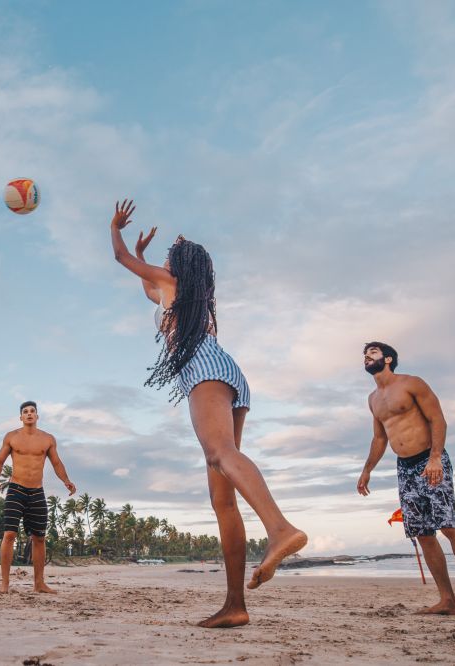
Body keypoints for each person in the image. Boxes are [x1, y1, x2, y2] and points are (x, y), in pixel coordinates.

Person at [108, 199, 308, 628]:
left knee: (219, 454)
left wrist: (117, 230)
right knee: (223, 500)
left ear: (178, 265)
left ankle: (280, 529)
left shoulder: (171, 283)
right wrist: (144, 258)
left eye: (166, 259)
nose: (161, 264)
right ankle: (235, 605)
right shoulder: (183, 293)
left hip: (205, 370)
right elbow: (146, 285)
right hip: (227, 371)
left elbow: (120, 259)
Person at [356, 341, 455, 615]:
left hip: (430, 460)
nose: (367, 358)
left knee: (449, 527)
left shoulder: (412, 383)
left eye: (372, 353)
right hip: (404, 469)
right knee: (423, 534)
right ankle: (448, 600)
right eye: (364, 355)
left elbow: (437, 420)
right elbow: (380, 437)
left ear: (389, 359)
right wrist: (367, 469)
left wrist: (435, 458)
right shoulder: (373, 399)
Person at [0, 401, 76, 594]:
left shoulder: (48, 439)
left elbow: (56, 462)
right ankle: (5, 584)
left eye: (32, 411)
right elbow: (0, 460)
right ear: (21, 417)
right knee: (9, 534)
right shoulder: (11, 437)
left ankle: (39, 584)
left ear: (37, 416)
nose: (29, 414)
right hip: (15, 490)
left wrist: (66, 480)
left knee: (39, 538)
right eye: (25, 412)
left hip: (37, 491)